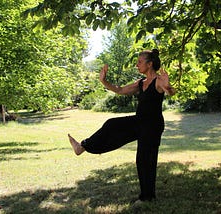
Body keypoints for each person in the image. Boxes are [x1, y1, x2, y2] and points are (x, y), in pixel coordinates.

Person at [68, 49, 175, 203]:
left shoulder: (158, 81)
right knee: (112, 124)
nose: (137, 65)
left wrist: (168, 86)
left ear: (149, 64)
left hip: (152, 125)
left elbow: (171, 92)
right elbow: (120, 90)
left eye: (139, 62)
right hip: (139, 122)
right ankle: (83, 146)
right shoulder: (141, 83)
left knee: (145, 160)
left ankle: (147, 197)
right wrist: (104, 81)